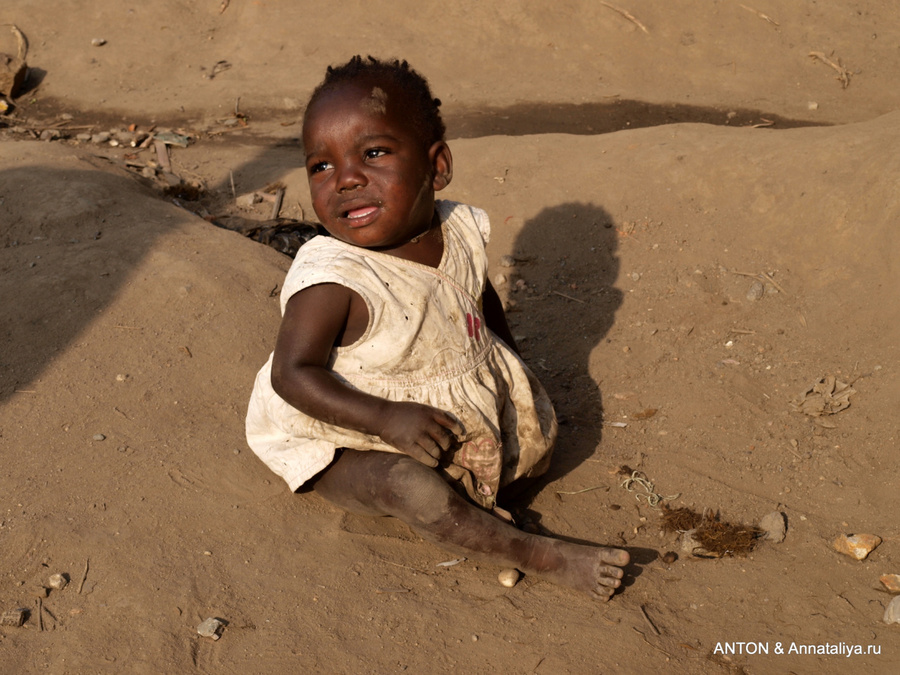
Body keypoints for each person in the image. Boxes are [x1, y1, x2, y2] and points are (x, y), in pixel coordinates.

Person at [246, 56, 629, 599]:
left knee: (540, 440)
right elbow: (292, 374)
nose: (347, 178)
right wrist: (383, 419)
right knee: (408, 489)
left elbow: (477, 296)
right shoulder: (333, 278)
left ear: (437, 167)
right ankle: (535, 552)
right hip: (343, 428)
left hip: (428, 406)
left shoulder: (457, 229)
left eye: (373, 153)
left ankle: (477, 501)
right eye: (320, 166)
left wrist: (513, 373)